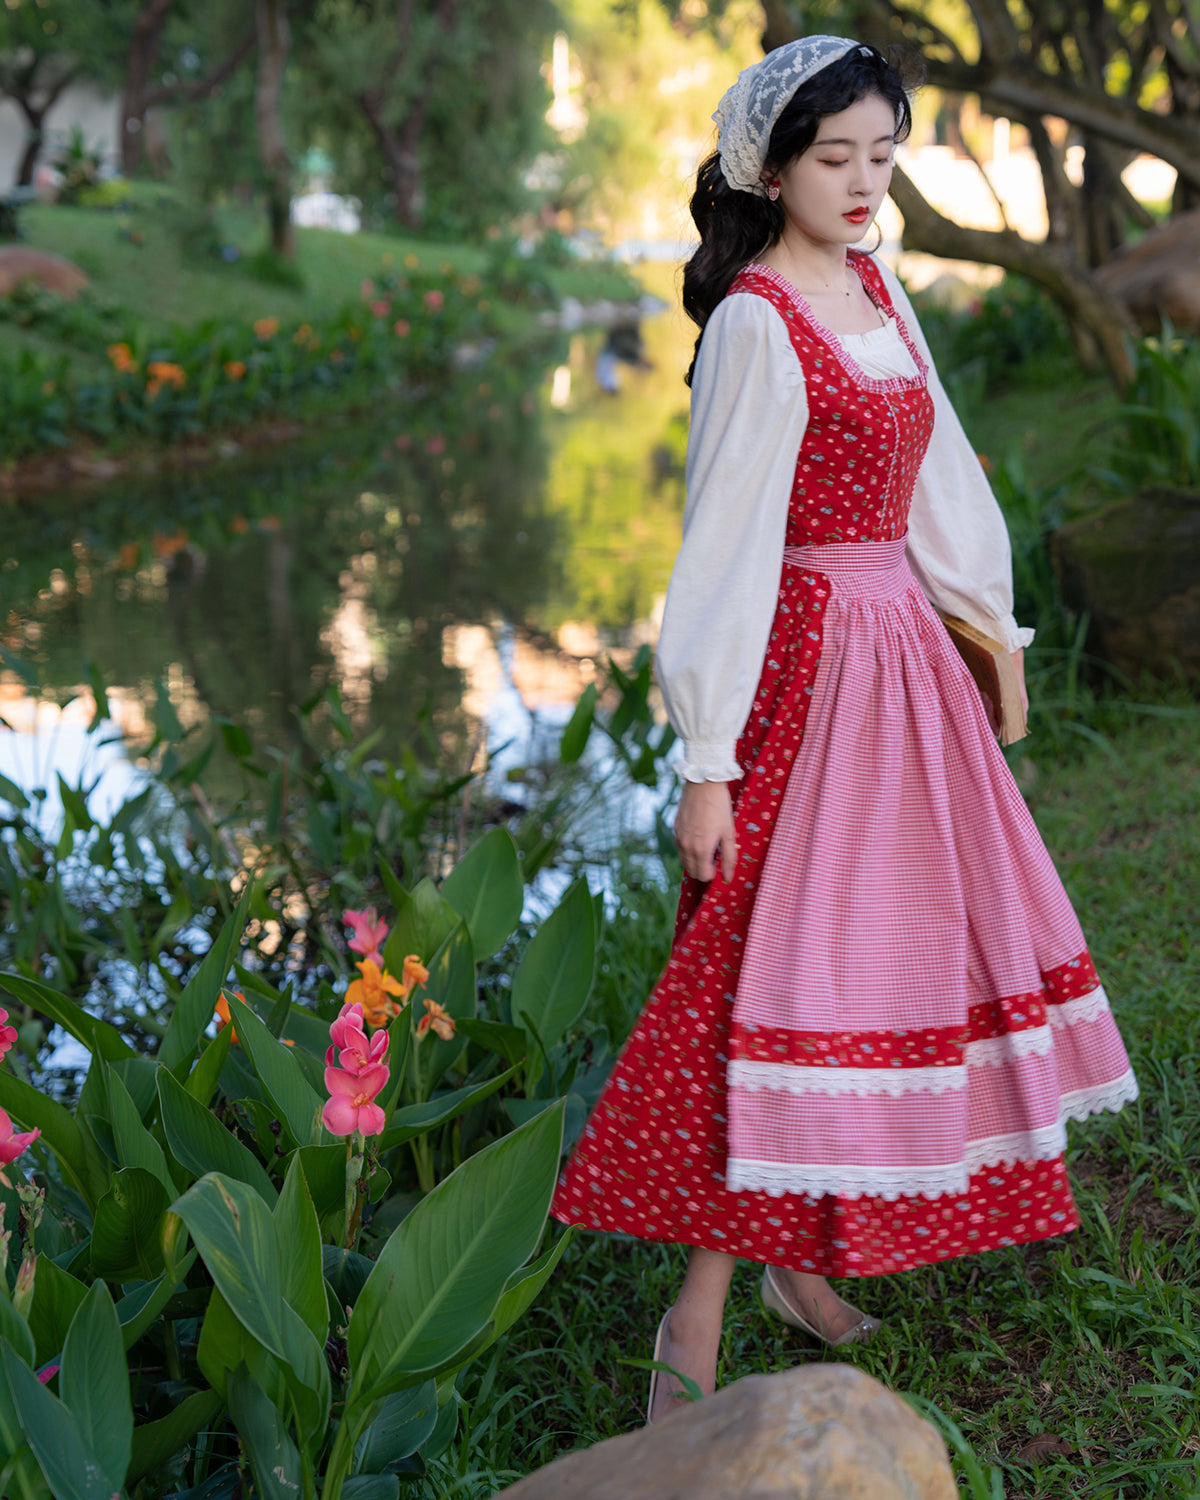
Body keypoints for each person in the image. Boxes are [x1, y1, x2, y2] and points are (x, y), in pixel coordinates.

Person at [550, 36, 1138, 1423]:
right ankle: (694, 1315)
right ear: (772, 166)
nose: (866, 181)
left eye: (884, 153)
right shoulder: (757, 318)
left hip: (905, 672)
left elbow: (938, 469)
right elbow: (726, 549)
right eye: (837, 158)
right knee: (756, 983)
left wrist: (986, 631)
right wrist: (707, 763)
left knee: (871, 977)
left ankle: (799, 1277)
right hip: (804, 682)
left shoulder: (877, 285)